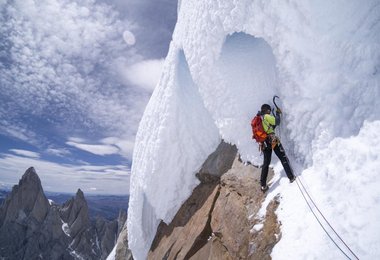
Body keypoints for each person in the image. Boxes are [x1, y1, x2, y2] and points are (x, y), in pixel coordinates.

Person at [258, 103, 296, 192]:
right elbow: (277, 122)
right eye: (269, 110)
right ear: (267, 110)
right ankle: (291, 177)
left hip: (264, 142)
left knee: (266, 163)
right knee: (282, 157)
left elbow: (270, 127)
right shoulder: (266, 116)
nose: (270, 112)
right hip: (272, 139)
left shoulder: (261, 119)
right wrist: (278, 113)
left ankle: (263, 185)